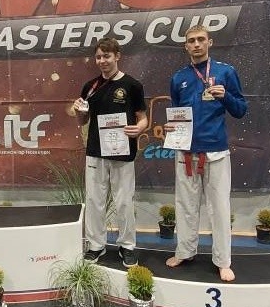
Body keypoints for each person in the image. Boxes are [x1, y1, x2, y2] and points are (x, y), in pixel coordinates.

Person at [164, 24, 247, 282]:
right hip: (186, 153)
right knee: (185, 207)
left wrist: (225, 97)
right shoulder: (178, 78)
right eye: (192, 40)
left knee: (219, 209)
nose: (197, 44)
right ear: (186, 46)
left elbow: (240, 110)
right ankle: (185, 252)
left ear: (209, 42)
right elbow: (177, 114)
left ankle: (223, 261)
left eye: (201, 39)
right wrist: (171, 127)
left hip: (216, 151)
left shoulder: (225, 72)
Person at [73, 37, 148, 268]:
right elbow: (82, 120)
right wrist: (78, 111)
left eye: (106, 56)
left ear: (117, 56)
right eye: (98, 57)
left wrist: (140, 128)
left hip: (123, 151)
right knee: (94, 200)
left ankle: (127, 246)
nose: (102, 61)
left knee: (124, 201)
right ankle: (96, 245)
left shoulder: (132, 85)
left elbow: (143, 118)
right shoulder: (90, 87)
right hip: (95, 151)